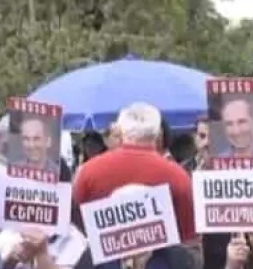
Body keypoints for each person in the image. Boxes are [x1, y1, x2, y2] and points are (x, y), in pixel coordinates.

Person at [73, 103, 198, 254]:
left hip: (100, 263)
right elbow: (189, 241)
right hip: (162, 265)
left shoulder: (88, 172)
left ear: (120, 131)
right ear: (158, 134)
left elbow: (76, 229)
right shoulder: (177, 176)